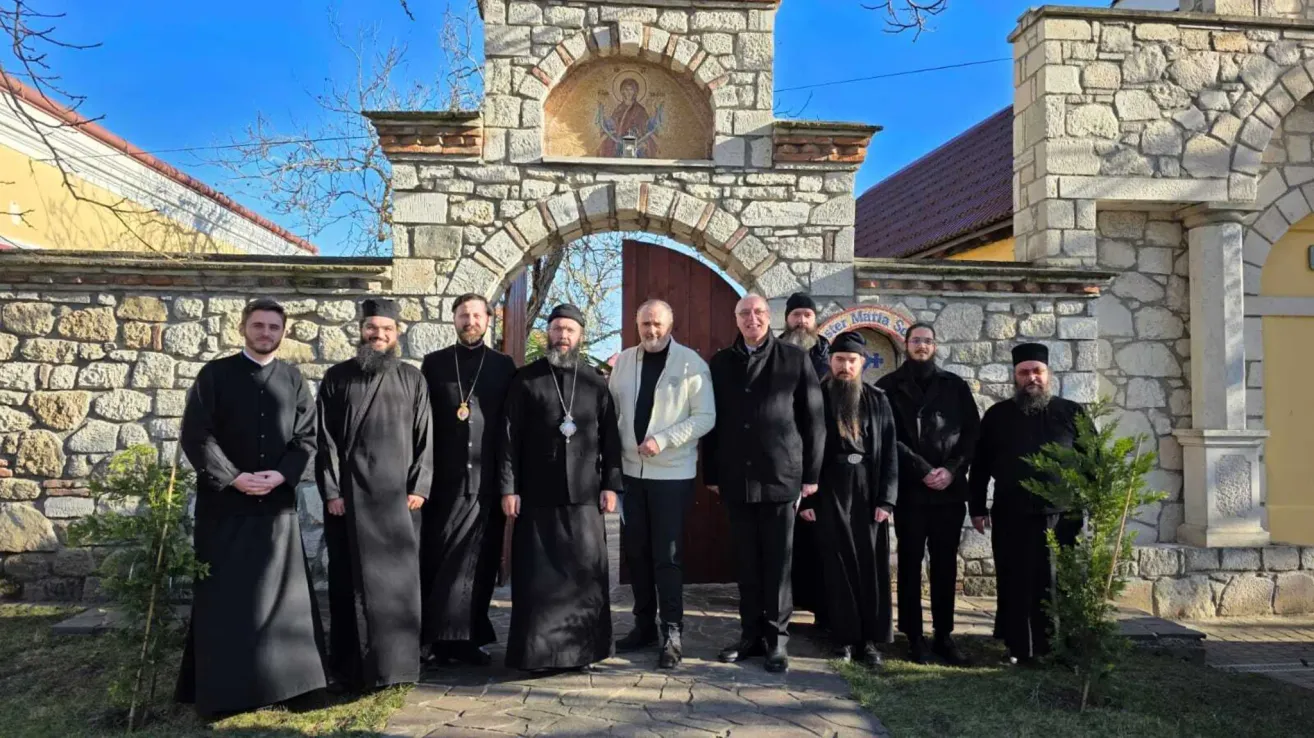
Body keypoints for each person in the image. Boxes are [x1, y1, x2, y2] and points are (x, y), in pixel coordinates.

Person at [176, 298, 326, 716]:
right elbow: (197, 434)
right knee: (227, 600)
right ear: (243, 328)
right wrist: (233, 477)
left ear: (283, 332)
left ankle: (286, 687)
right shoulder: (214, 375)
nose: (266, 333)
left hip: (275, 506)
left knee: (282, 600)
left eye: (274, 327)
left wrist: (280, 475)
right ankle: (228, 692)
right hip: (223, 506)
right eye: (258, 325)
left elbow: (306, 437)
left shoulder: (293, 379)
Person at [315, 297, 433, 691]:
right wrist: (332, 491)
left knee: (398, 584)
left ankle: (398, 667)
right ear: (361, 330)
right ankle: (351, 669)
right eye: (372, 328)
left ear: (397, 334)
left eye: (386, 329)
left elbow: (425, 437)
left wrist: (419, 486)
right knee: (349, 582)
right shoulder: (336, 378)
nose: (378, 335)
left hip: (399, 500)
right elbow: (325, 440)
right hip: (348, 500)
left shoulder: (413, 379)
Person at [499, 304, 623, 674]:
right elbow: (508, 438)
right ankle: (537, 655)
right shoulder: (525, 380)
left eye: (569, 330)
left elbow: (610, 439)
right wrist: (509, 488)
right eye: (557, 329)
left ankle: (582, 653)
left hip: (585, 496)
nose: (563, 336)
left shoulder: (595, 382)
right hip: (537, 495)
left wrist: (611, 484)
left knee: (584, 576)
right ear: (547, 334)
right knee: (538, 581)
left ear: (580, 335)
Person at [706, 294, 825, 673]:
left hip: (781, 476)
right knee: (746, 563)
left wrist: (811, 476)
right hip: (736, 478)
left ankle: (776, 641)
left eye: (758, 312)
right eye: (745, 313)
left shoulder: (794, 358)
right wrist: (711, 473)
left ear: (769, 317)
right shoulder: (721, 363)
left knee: (777, 564)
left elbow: (814, 420)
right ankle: (749, 636)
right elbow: (711, 422)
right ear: (736, 319)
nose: (752, 319)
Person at [609, 299, 716, 669]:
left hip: (672, 475)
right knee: (637, 554)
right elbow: (613, 413)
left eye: (657, 324)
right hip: (630, 475)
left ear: (670, 325)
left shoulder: (691, 363)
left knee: (666, 557)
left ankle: (672, 631)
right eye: (645, 324)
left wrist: (664, 439)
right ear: (636, 325)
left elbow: (705, 417)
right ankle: (643, 626)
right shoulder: (623, 362)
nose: (651, 331)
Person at [969, 342, 1085, 665]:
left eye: (1037, 371)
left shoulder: (1071, 413)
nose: (1031, 377)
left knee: (1057, 582)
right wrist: (976, 507)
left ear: (1048, 374)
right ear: (1015, 376)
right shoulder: (997, 416)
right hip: (1011, 515)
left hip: (1062, 516)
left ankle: (1060, 648)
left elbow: (1092, 460)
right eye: (1024, 372)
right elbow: (980, 465)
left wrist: (1093, 503)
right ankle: (1018, 648)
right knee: (1015, 580)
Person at [418, 293, 517, 667]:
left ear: (489, 319)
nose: (470, 321)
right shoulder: (435, 364)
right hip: (444, 483)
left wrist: (509, 483)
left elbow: (510, 427)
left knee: (480, 564)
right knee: (439, 561)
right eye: (463, 315)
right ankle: (435, 640)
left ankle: (468, 639)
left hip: (487, 483)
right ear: (454, 319)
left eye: (477, 315)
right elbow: (422, 424)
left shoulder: (504, 366)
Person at [876, 323, 980, 665]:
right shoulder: (888, 387)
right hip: (910, 491)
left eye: (928, 341)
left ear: (935, 346)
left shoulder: (955, 386)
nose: (922, 346)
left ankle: (944, 635)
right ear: (906, 344)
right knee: (909, 563)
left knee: (945, 564)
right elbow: (887, 436)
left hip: (950, 491)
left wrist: (950, 470)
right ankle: (914, 636)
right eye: (916, 340)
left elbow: (971, 434)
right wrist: (922, 469)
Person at [801, 331, 898, 669]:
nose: (845, 366)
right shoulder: (815, 397)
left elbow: (890, 451)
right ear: (831, 361)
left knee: (869, 565)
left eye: (851, 360)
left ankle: (868, 641)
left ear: (862, 363)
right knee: (837, 564)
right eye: (839, 359)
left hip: (868, 490)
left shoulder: (878, 400)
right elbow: (803, 448)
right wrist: (807, 500)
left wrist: (887, 499)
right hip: (828, 489)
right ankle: (842, 637)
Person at [779, 292, 831, 630]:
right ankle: (786, 600)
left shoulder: (830, 355)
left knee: (819, 535)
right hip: (783, 456)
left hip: (821, 458)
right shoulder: (775, 352)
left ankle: (819, 603)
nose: (801, 321)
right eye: (796, 314)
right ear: (787, 319)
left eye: (807, 315)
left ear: (815, 320)